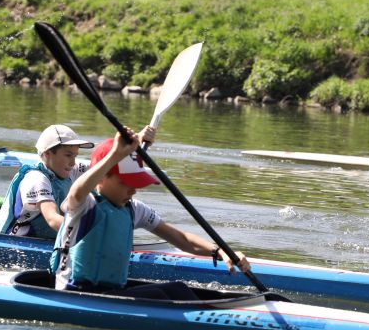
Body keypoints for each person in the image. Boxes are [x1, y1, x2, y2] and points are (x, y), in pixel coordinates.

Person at [51, 127, 251, 300]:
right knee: (161, 295)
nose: (133, 190)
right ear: (102, 178)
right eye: (125, 183)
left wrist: (220, 251)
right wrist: (115, 155)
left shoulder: (134, 209)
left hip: (111, 293)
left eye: (135, 184)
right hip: (75, 294)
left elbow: (182, 239)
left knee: (177, 289)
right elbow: (77, 190)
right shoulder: (85, 204)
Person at [0, 124, 94, 239]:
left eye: (75, 156)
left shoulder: (67, 169)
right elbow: (52, 218)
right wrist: (91, 233)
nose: (73, 163)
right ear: (48, 153)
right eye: (68, 155)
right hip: (21, 244)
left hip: (50, 240)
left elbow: (100, 167)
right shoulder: (36, 179)